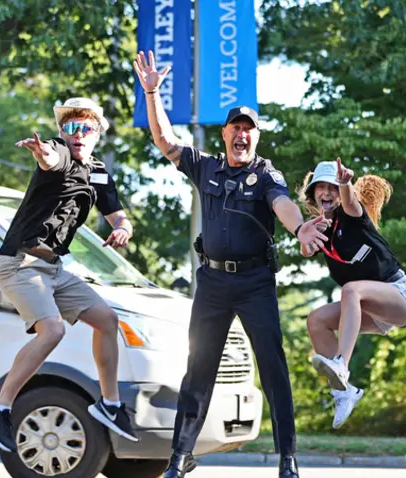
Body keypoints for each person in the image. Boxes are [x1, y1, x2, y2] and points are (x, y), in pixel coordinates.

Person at [134, 50, 328, 478]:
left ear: (257, 136)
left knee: (272, 368)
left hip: (255, 282)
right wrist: (152, 94)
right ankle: (179, 458)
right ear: (224, 133)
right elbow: (165, 141)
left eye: (249, 129)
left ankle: (288, 458)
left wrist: (300, 229)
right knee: (198, 370)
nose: (242, 135)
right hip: (213, 283)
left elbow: (282, 204)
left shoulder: (267, 174)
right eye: (236, 128)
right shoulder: (206, 168)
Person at [0, 97, 139, 454]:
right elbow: (51, 159)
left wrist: (123, 228)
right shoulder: (59, 152)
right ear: (62, 133)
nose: (77, 134)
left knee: (107, 320)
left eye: (85, 128)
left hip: (53, 269)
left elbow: (118, 215)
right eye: (70, 127)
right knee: (53, 330)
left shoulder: (98, 173)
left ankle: (110, 403)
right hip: (19, 264)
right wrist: (42, 154)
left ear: (97, 133)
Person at [298, 159, 406, 428]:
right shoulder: (321, 227)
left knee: (351, 290)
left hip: (400, 295)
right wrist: (304, 239)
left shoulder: (353, 215)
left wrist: (345, 184)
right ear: (313, 194)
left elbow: (351, 202)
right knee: (316, 320)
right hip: (372, 310)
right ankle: (344, 392)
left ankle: (341, 364)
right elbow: (307, 249)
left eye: (332, 188)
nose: (327, 193)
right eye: (321, 188)